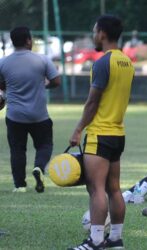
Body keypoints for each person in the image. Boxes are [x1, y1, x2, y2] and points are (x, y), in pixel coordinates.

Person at [68, 15, 134, 249]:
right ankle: (115, 240)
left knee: (95, 188)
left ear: (103, 34)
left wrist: (77, 130)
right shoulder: (127, 62)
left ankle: (95, 241)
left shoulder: (103, 62)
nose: (93, 35)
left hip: (99, 134)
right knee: (114, 189)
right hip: (118, 134)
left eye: (95, 31)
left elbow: (92, 102)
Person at [0, 26, 60, 193]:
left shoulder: (3, 62)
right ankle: (39, 167)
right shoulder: (42, 60)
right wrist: (43, 85)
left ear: (13, 41)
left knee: (17, 150)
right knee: (45, 144)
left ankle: (19, 185)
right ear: (28, 40)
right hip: (39, 115)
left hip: (15, 116)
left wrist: (5, 94)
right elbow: (56, 81)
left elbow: (1, 85)